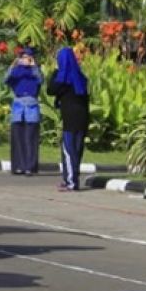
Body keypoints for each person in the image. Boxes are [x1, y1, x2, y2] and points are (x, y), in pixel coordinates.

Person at [47, 46, 90, 192]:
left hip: (70, 119)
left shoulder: (63, 79)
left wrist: (55, 70)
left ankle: (71, 182)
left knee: (68, 150)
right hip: (83, 117)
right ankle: (72, 179)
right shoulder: (81, 77)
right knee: (77, 150)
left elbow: (50, 89)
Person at [4, 47, 43, 176]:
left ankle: (30, 167)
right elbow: (6, 79)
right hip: (18, 105)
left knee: (30, 137)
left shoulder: (35, 71)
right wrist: (13, 64)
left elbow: (41, 80)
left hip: (31, 105)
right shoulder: (16, 71)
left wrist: (33, 66)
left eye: (28, 57)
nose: (25, 60)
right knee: (18, 137)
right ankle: (18, 166)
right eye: (23, 57)